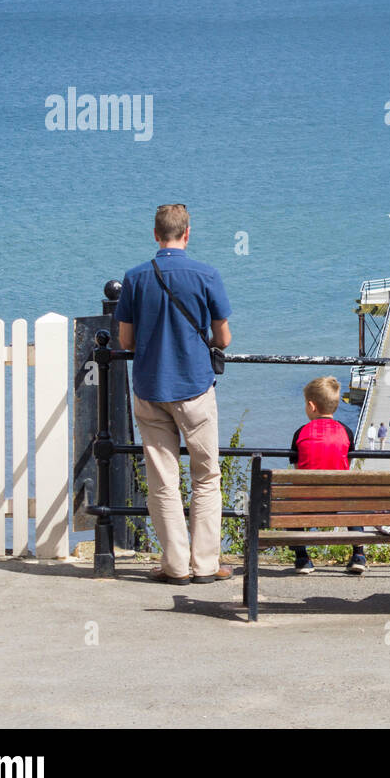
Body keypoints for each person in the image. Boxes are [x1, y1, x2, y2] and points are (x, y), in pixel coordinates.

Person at [114, 204, 232, 585]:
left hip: (150, 388)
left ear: (155, 234)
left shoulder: (135, 278)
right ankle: (205, 565)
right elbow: (224, 338)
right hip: (195, 387)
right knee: (206, 477)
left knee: (163, 480)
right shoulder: (206, 274)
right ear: (187, 233)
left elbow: (125, 341)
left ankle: (176, 566)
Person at [286, 377, 366, 575]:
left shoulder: (300, 433)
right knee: (352, 501)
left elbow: (298, 469)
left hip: (307, 502)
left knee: (292, 502)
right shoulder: (346, 432)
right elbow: (346, 460)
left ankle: (302, 558)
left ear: (312, 406)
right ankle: (358, 555)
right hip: (339, 501)